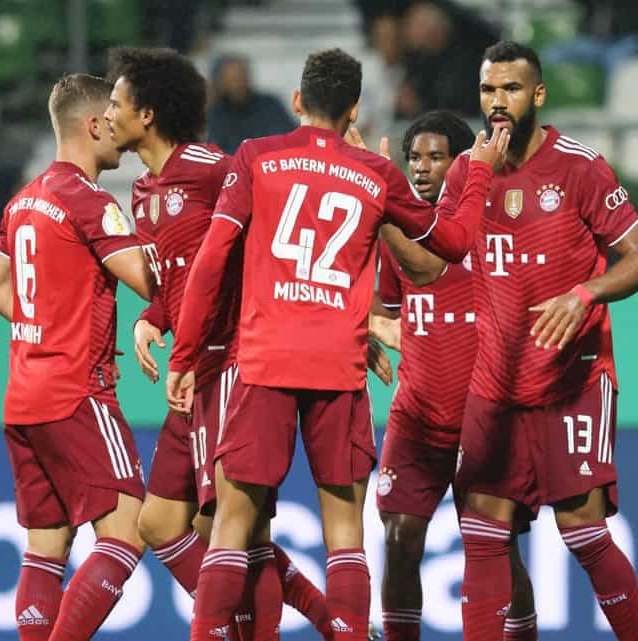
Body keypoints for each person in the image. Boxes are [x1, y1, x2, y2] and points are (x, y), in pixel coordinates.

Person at [165, 47, 508, 641]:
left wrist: (185, 354)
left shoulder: (255, 157)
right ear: (354, 111)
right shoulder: (377, 174)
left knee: (231, 528)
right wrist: (477, 171)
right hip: (338, 367)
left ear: (298, 100)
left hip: (264, 362)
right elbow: (452, 245)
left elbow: (213, 259)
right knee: (345, 535)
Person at [384, 41, 638, 641]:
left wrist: (585, 293)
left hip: (572, 379)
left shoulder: (581, 167)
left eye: (510, 89)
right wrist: (385, 200)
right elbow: (435, 264)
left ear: (537, 95)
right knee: (482, 537)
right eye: (488, 90)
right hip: (495, 386)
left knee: (584, 536)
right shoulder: (468, 171)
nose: (498, 102)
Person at [103, 46, 331, 641]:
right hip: (193, 373)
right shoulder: (143, 191)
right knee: (159, 523)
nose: (107, 114)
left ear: (148, 113)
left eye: (116, 103)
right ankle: (309, 624)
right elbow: (180, 280)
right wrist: (151, 318)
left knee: (235, 532)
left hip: (234, 362)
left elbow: (267, 242)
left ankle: (316, 627)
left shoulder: (213, 170)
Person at [0, 73, 154, 641]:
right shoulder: (88, 200)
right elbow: (148, 281)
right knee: (128, 532)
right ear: (94, 125)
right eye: (115, 119)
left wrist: (53, 324)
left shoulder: (24, 201)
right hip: (77, 392)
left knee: (45, 549)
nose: (122, 131)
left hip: (23, 396)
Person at [372, 110, 537, 641]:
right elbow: (384, 310)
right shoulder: (395, 240)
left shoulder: (488, 228)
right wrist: (368, 332)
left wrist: (377, 204)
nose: (421, 168)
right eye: (413, 158)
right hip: (416, 417)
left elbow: (430, 266)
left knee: (497, 549)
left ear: (464, 164)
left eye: (436, 157)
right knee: (398, 539)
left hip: (481, 417)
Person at [207, 54, 296, 154]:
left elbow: (291, 137)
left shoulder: (270, 105)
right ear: (219, 82)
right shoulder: (211, 116)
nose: (239, 84)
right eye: (233, 79)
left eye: (242, 76)